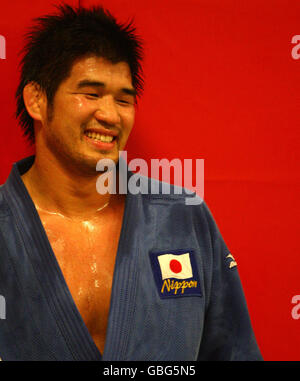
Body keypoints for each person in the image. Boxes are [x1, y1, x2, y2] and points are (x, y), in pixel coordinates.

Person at [0, 4, 262, 361]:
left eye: (123, 99)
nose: (109, 115)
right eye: (90, 94)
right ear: (37, 100)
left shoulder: (182, 218)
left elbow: (234, 352)